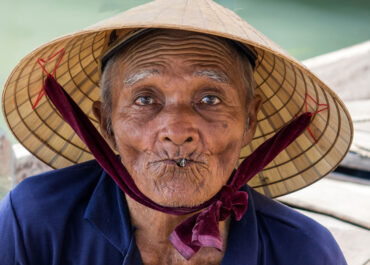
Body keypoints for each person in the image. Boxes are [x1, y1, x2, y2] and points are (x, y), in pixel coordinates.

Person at [0, 0, 352, 264]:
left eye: (210, 98)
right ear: (105, 124)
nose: (177, 130)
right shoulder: (35, 220)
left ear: (250, 121)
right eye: (145, 99)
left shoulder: (302, 250)